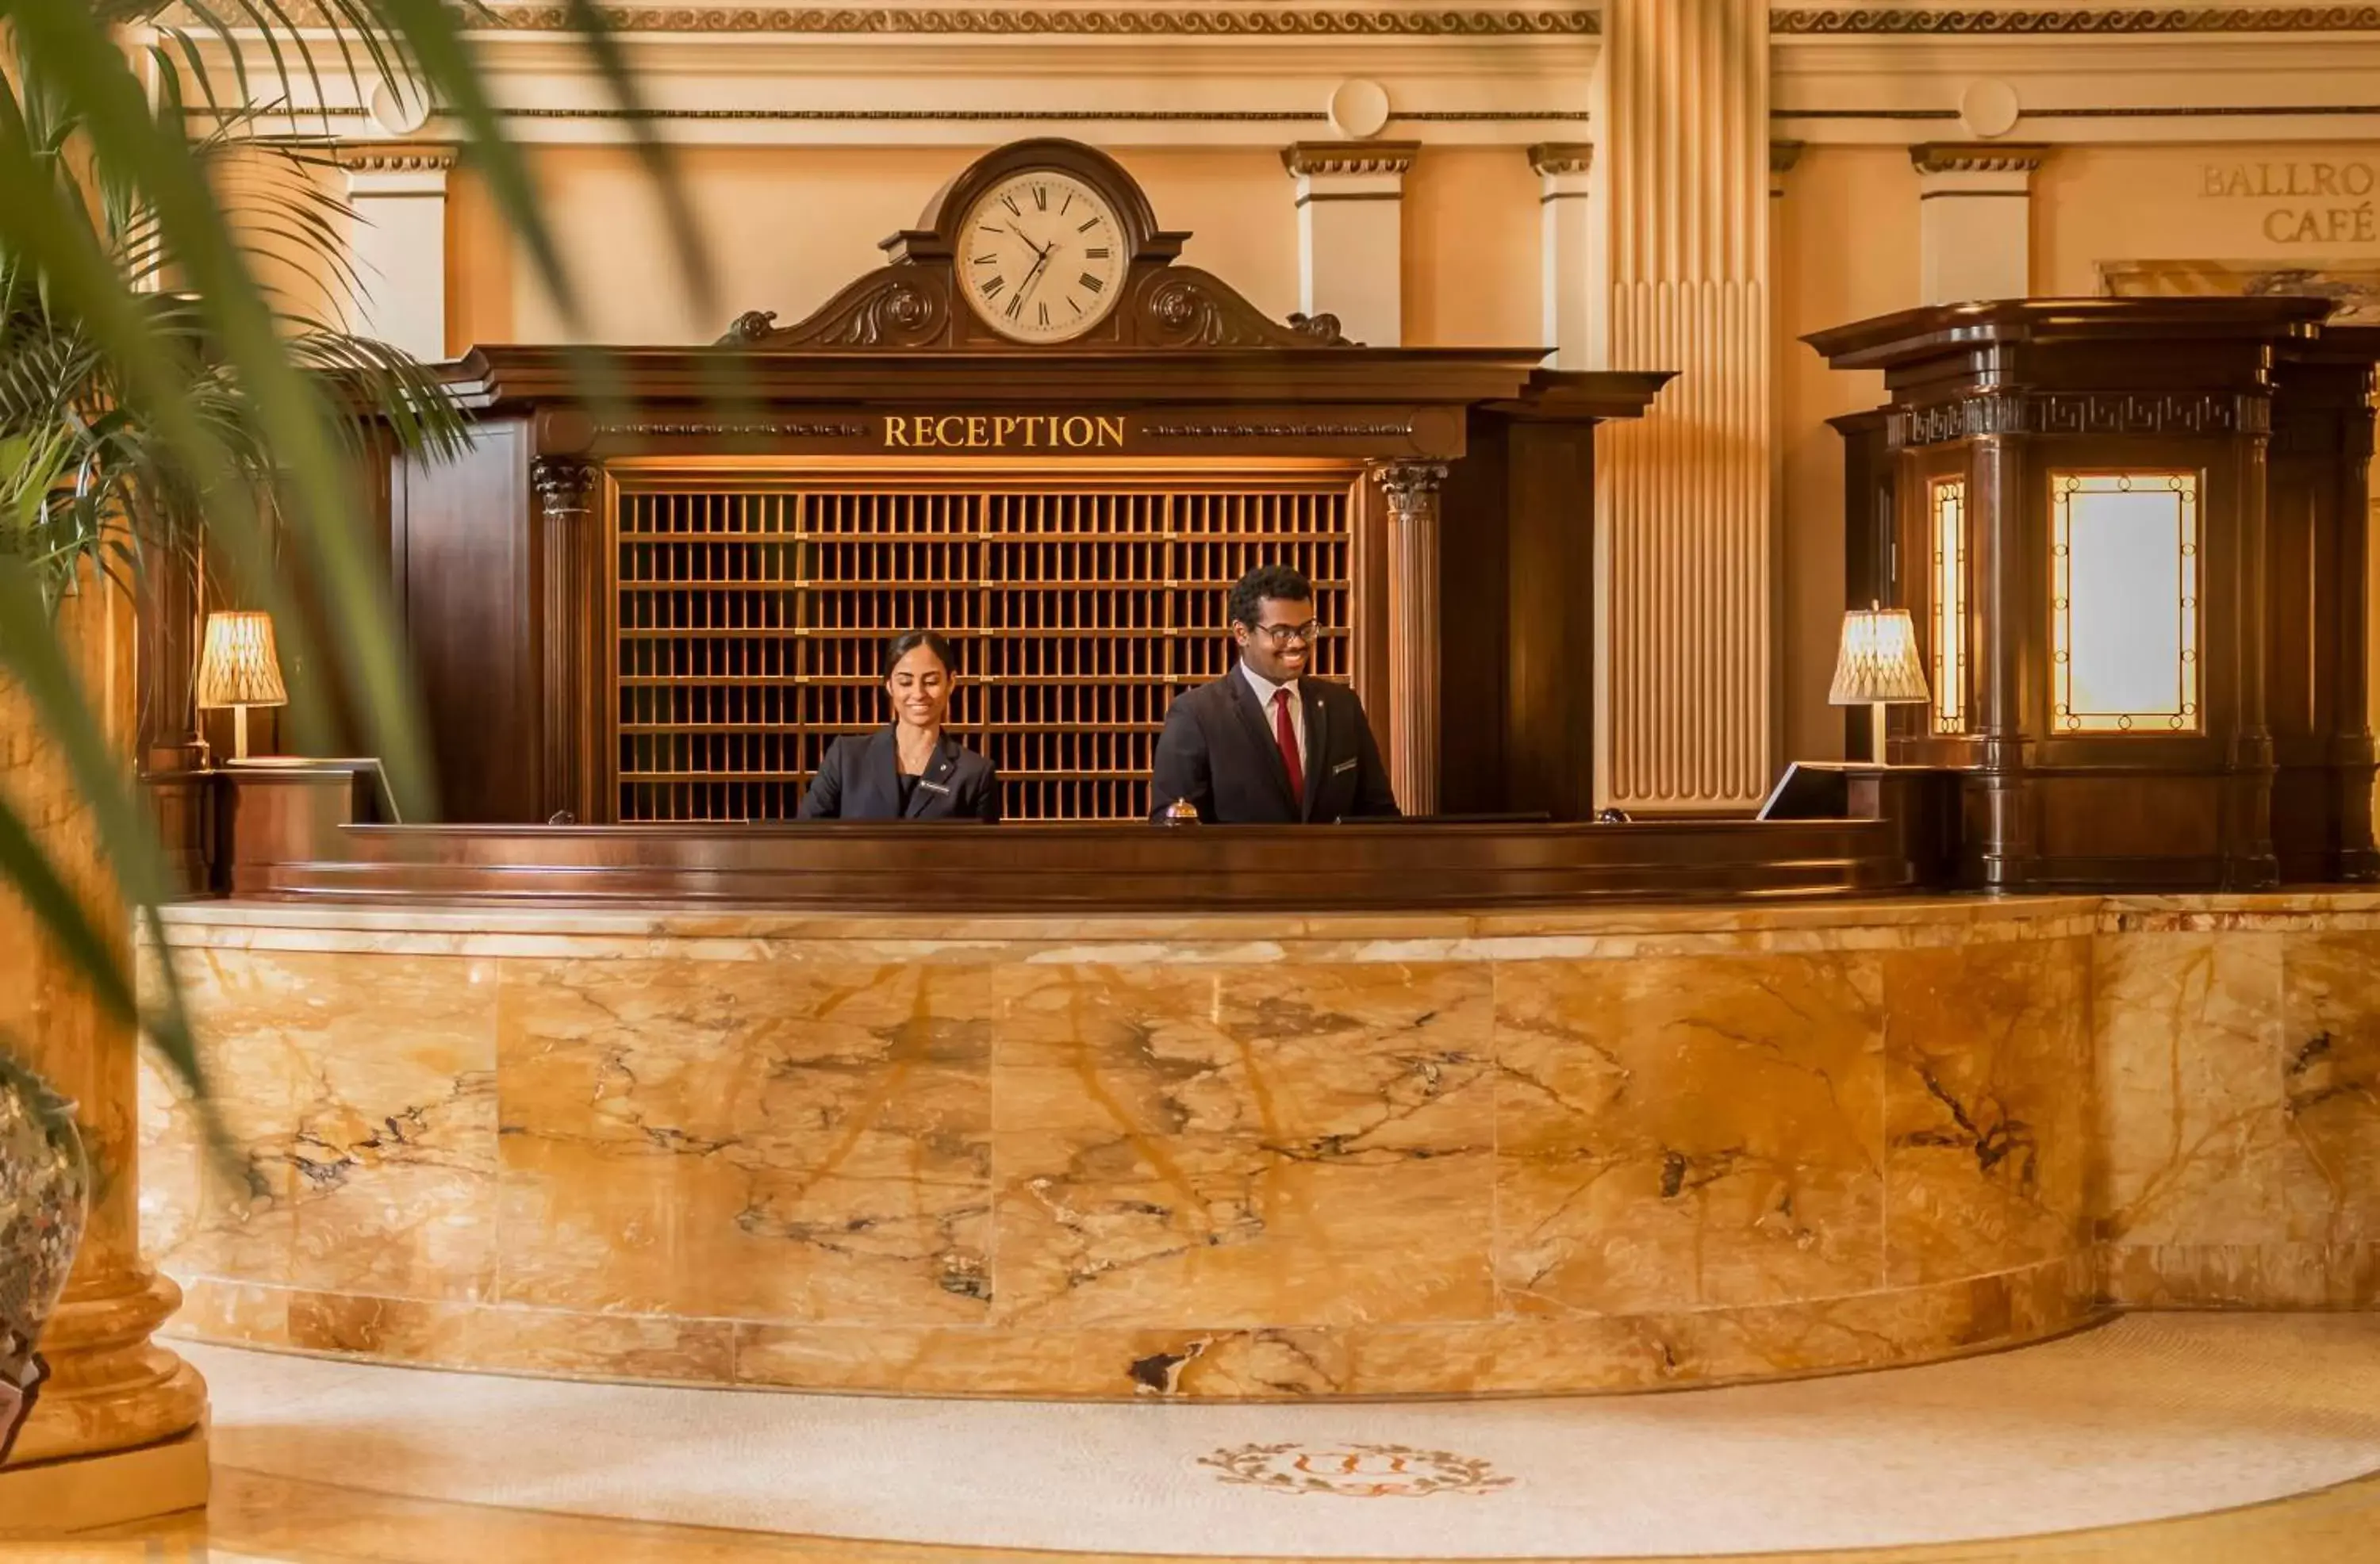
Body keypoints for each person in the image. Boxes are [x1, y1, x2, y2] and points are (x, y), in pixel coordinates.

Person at [1149, 562, 1399, 823]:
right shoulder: (1196, 715)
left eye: (1306, 630)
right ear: (1242, 633)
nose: (1299, 643)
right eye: (1282, 633)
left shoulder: (1342, 707)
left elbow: (1380, 818)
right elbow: (1172, 829)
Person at [799, 630, 1001, 821]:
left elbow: (984, 854)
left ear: (951, 683)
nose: (919, 693)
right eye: (906, 682)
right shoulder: (846, 758)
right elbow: (806, 837)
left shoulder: (975, 774)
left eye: (931, 682)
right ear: (889, 685)